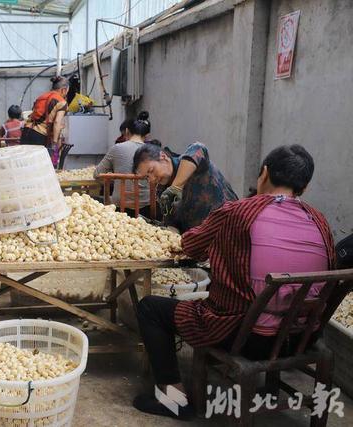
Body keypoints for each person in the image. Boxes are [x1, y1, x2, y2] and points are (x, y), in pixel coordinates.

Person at [132, 145, 335, 419]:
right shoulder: (321, 222)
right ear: (305, 186)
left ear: (263, 173)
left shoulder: (237, 212)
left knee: (150, 309)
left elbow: (191, 245)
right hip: (302, 335)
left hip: (246, 335)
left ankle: (173, 400)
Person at [133, 142, 238, 232]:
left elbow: (198, 147)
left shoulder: (188, 163)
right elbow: (173, 224)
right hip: (202, 243)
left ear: (163, 157)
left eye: (151, 171)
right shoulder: (163, 193)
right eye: (147, 177)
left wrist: (175, 187)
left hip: (229, 227)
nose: (151, 179)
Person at [94, 116, 152, 215]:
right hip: (147, 207)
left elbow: (97, 174)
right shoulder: (153, 151)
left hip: (120, 208)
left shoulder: (117, 148)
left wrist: (116, 177)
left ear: (126, 130)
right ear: (147, 135)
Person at [21, 76, 69, 165]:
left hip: (26, 132)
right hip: (39, 136)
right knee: (38, 167)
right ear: (64, 90)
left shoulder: (41, 97)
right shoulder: (61, 102)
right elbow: (57, 122)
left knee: (25, 165)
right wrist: (54, 143)